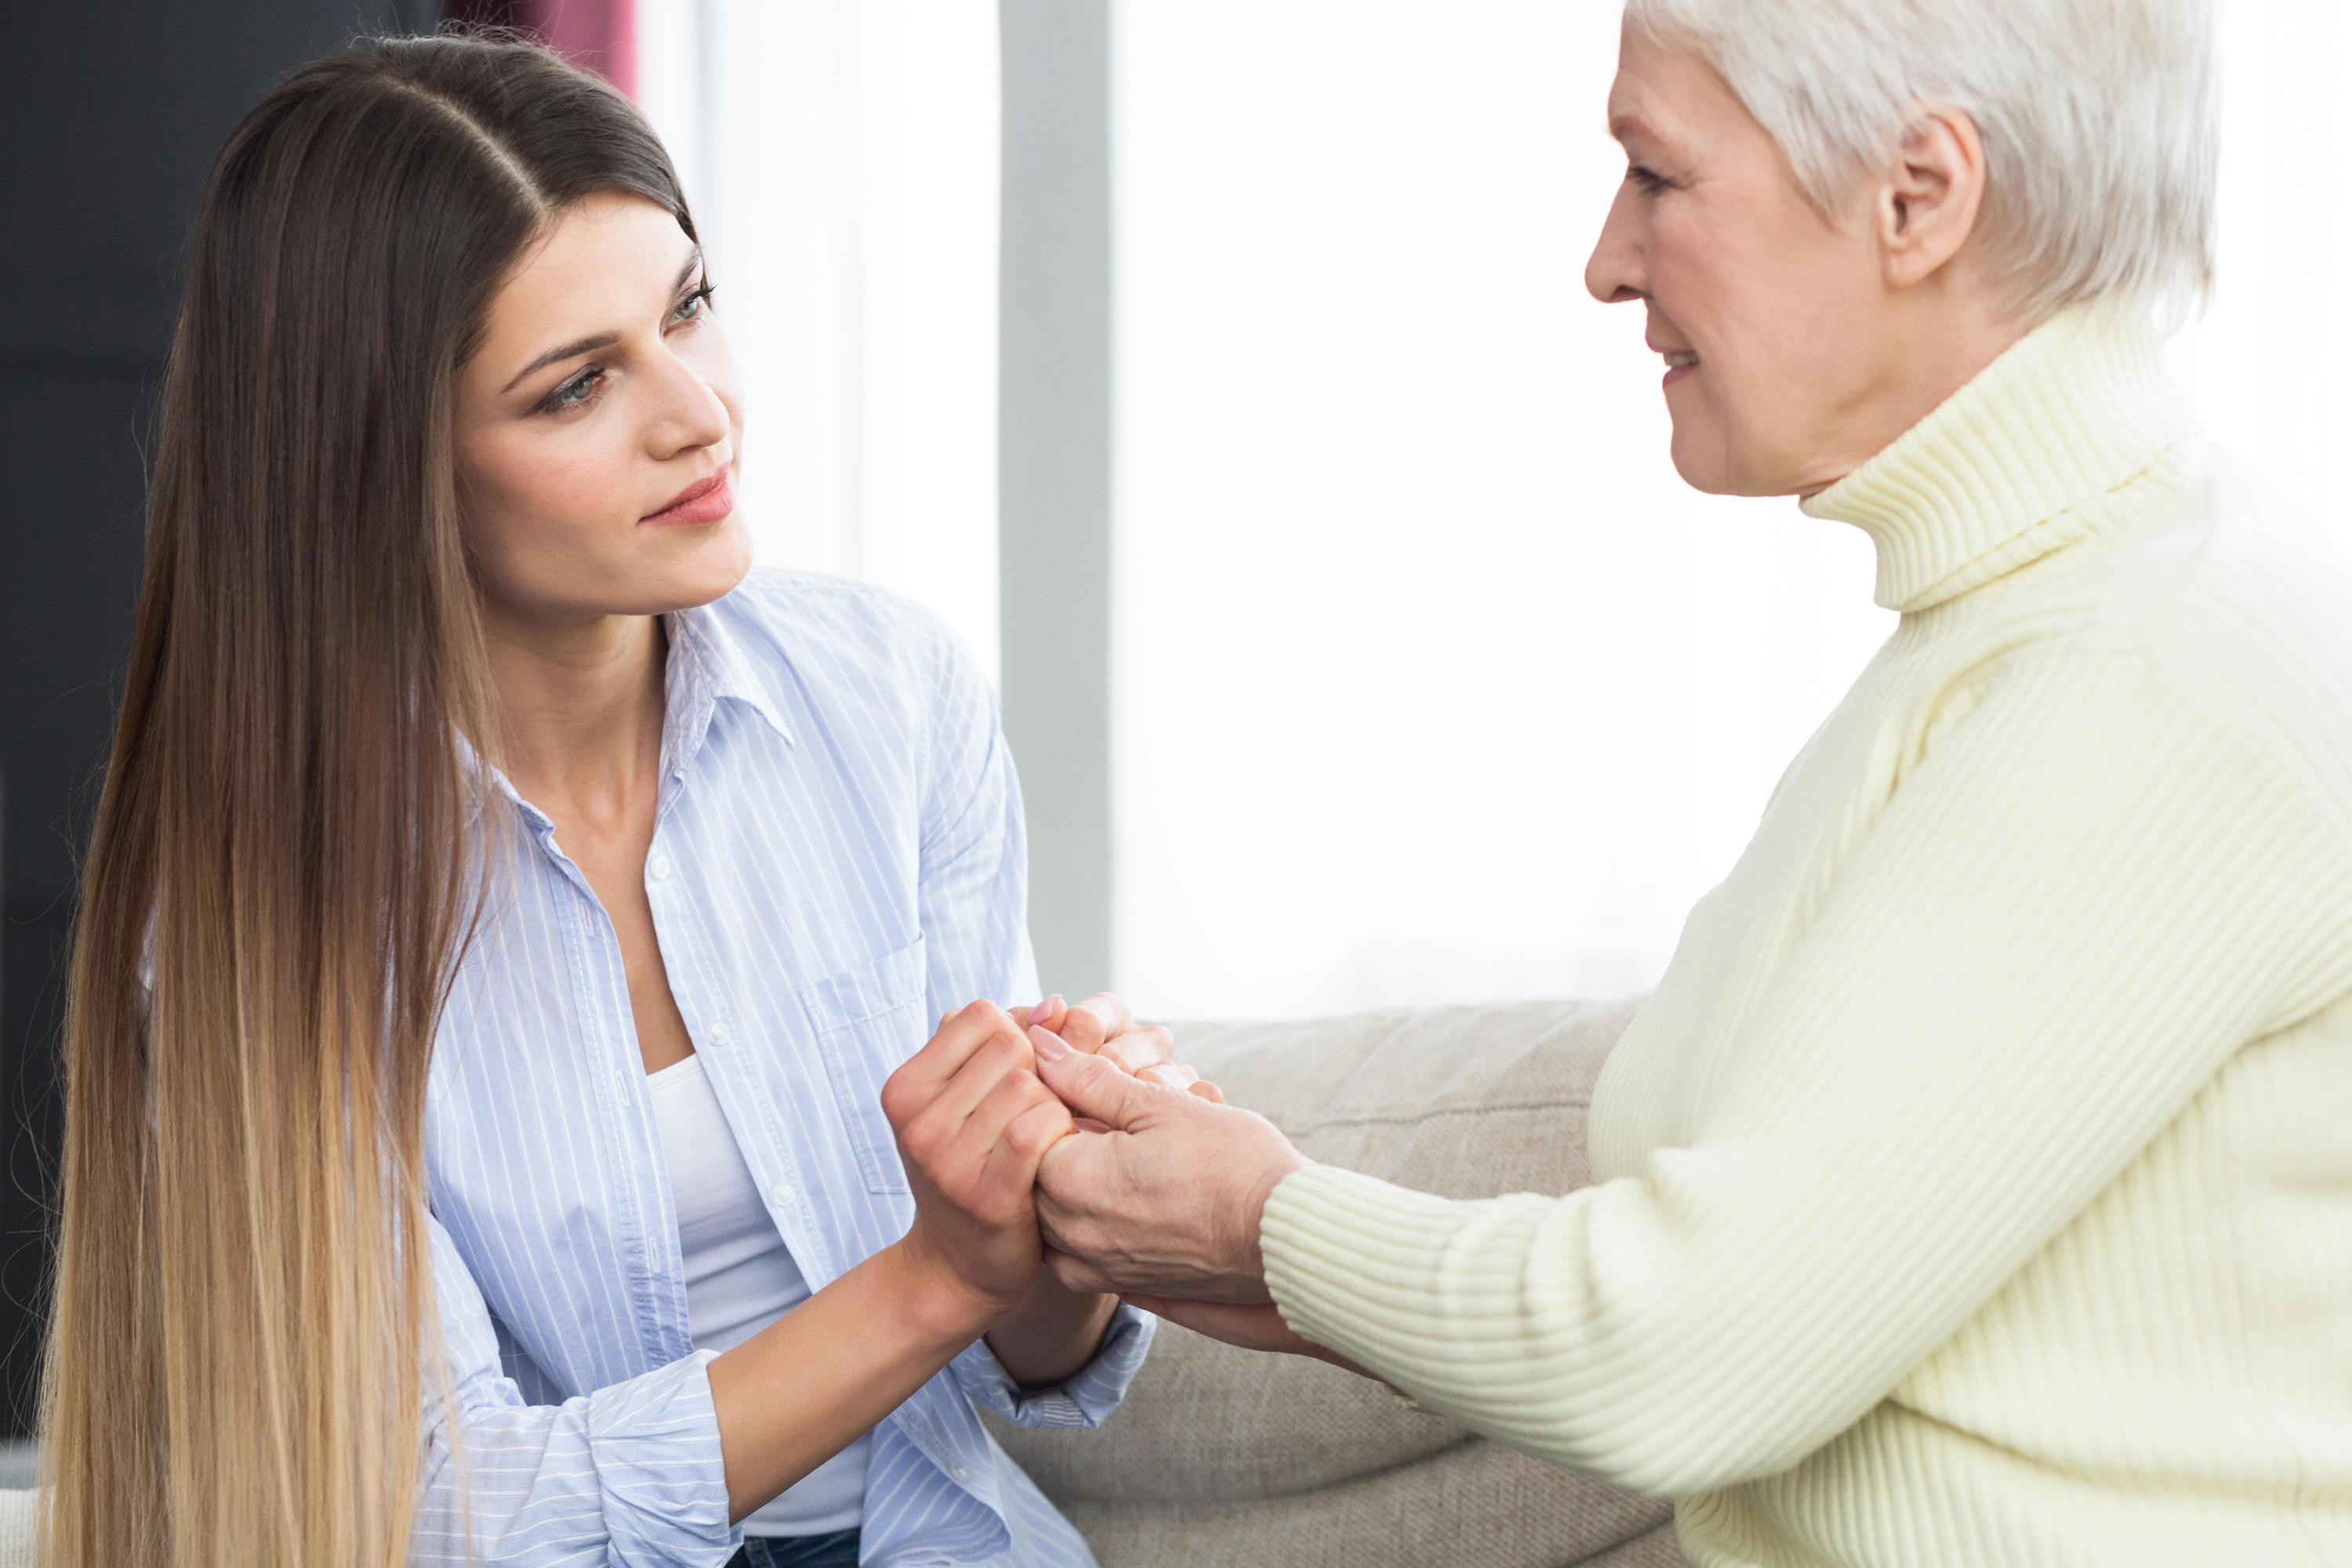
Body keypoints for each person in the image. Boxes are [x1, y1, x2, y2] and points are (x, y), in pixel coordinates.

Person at [1026, 1, 2352, 1563]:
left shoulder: (2148, 676)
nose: (1606, 258)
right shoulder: (2021, 631)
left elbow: (1685, 1356)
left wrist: (1268, 1221)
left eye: (1657, 174)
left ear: (1918, 196)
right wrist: (1267, 1259)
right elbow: (1805, 1296)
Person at [39, 34, 1192, 1568]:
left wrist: (1062, 1198)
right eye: (577, 385)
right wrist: (933, 1277)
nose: (697, 414)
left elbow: (1033, 1355)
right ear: (385, 470)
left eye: (687, 310)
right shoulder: (262, 906)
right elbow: (450, 1514)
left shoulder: (886, 695)